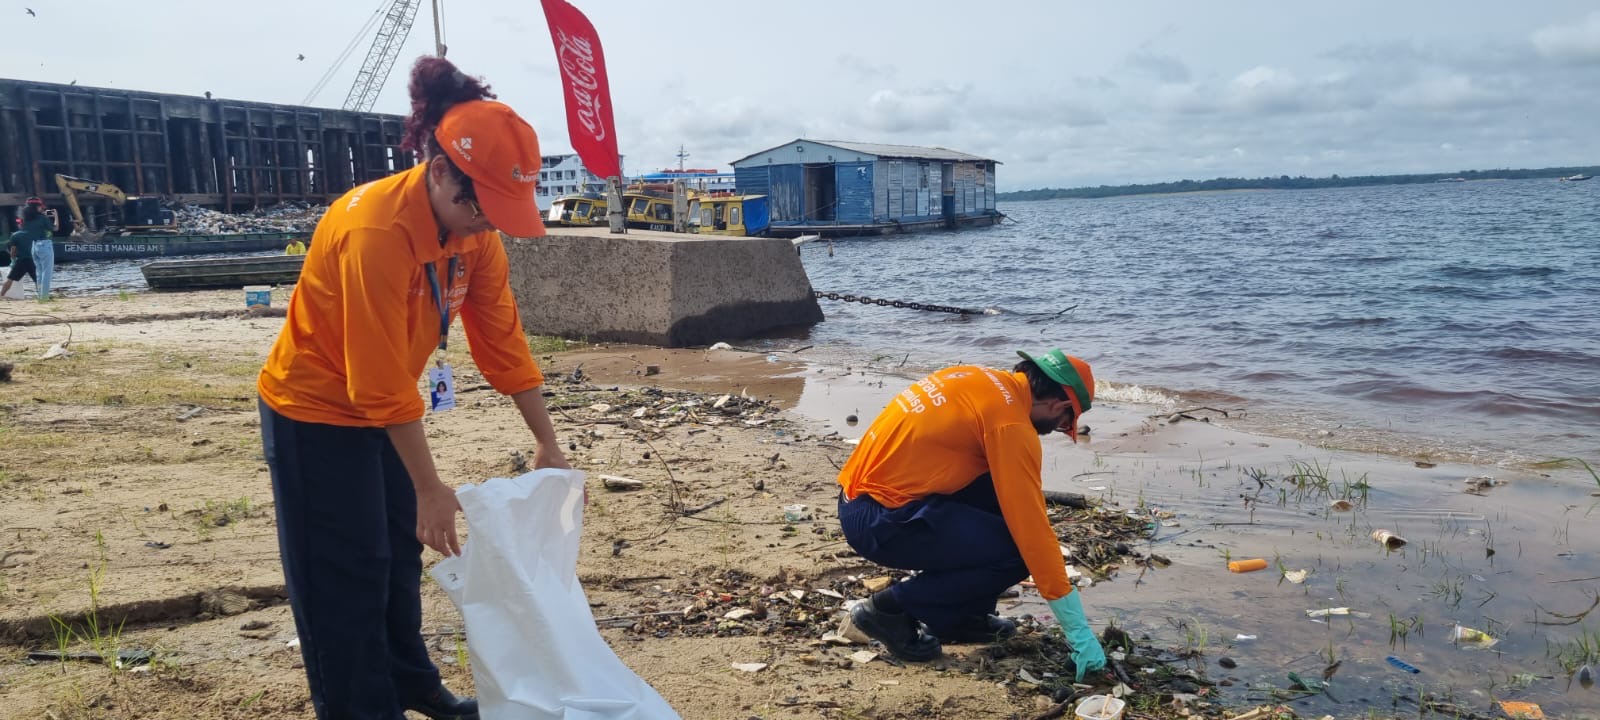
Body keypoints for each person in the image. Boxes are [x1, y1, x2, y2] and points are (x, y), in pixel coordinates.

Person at [256, 56, 567, 720]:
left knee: (399, 552)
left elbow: (501, 339)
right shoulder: (377, 229)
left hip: (386, 407)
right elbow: (371, 375)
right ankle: (361, 706)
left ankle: (409, 684)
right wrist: (430, 487)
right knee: (345, 570)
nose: (486, 221)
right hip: (315, 409)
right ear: (440, 168)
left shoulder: (475, 236)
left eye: (499, 210)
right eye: (476, 204)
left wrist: (547, 442)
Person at [836, 348, 1108, 681]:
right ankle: (888, 609)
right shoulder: (1010, 424)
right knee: (1017, 553)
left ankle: (962, 617)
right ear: (1059, 405)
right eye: (1066, 422)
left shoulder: (977, 378)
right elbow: (1034, 535)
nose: (1059, 428)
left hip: (860, 498)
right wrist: (1077, 630)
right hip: (879, 521)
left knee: (998, 493)